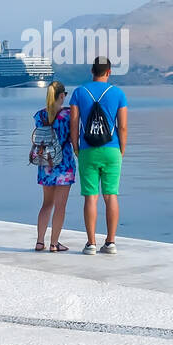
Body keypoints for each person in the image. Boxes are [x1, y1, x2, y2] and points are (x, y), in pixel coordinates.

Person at [69, 57, 128, 254]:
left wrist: (76, 147)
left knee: (90, 197)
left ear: (91, 71)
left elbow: (74, 123)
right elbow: (123, 126)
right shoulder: (118, 94)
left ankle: (91, 243)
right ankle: (110, 242)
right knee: (111, 195)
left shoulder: (79, 92)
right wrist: (122, 149)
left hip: (87, 150)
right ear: (109, 72)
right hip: (112, 150)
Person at [32, 80, 75, 251]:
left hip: (45, 163)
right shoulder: (68, 115)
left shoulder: (39, 116)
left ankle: (40, 241)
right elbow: (73, 138)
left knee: (46, 203)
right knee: (60, 206)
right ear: (62, 96)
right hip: (64, 164)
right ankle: (54, 243)